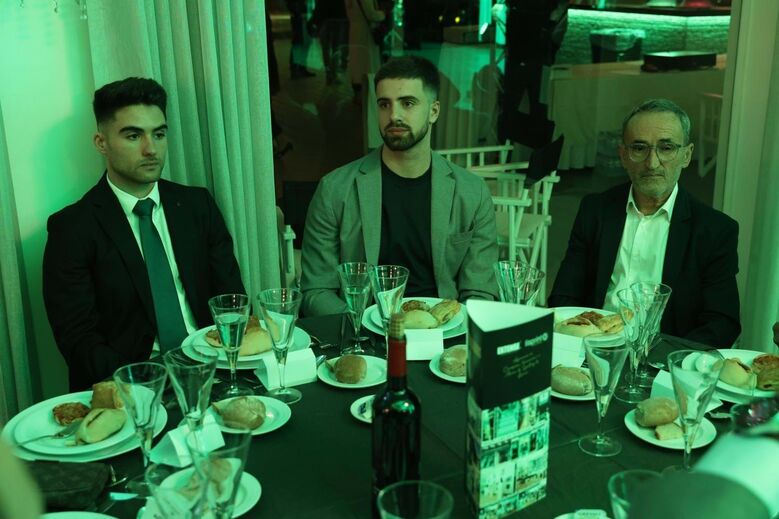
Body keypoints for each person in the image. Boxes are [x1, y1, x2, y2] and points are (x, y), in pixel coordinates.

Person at [43, 77, 245, 391]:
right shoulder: (72, 227)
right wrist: (146, 385)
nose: (151, 149)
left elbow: (231, 300)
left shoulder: (197, 205)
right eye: (133, 135)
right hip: (132, 386)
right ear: (101, 143)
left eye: (159, 134)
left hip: (214, 369)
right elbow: (79, 340)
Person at [300, 56, 498, 316]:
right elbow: (316, 291)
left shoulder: (472, 192)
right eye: (384, 104)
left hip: (443, 329)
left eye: (408, 103)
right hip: (363, 329)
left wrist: (451, 324)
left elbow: (480, 291)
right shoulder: (335, 190)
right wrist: (359, 325)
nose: (393, 115)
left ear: (434, 111)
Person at [549, 98, 740, 348]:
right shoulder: (595, 210)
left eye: (666, 148)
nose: (652, 163)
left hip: (665, 359)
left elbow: (722, 322)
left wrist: (664, 359)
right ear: (623, 155)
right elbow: (564, 297)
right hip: (593, 348)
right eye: (639, 148)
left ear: (686, 155)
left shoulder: (715, 230)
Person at [345, 0, 385, 96]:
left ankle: (357, 91)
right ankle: (365, 93)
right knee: (366, 63)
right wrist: (383, 14)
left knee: (356, 63)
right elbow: (371, 14)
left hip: (354, 30)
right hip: (366, 32)